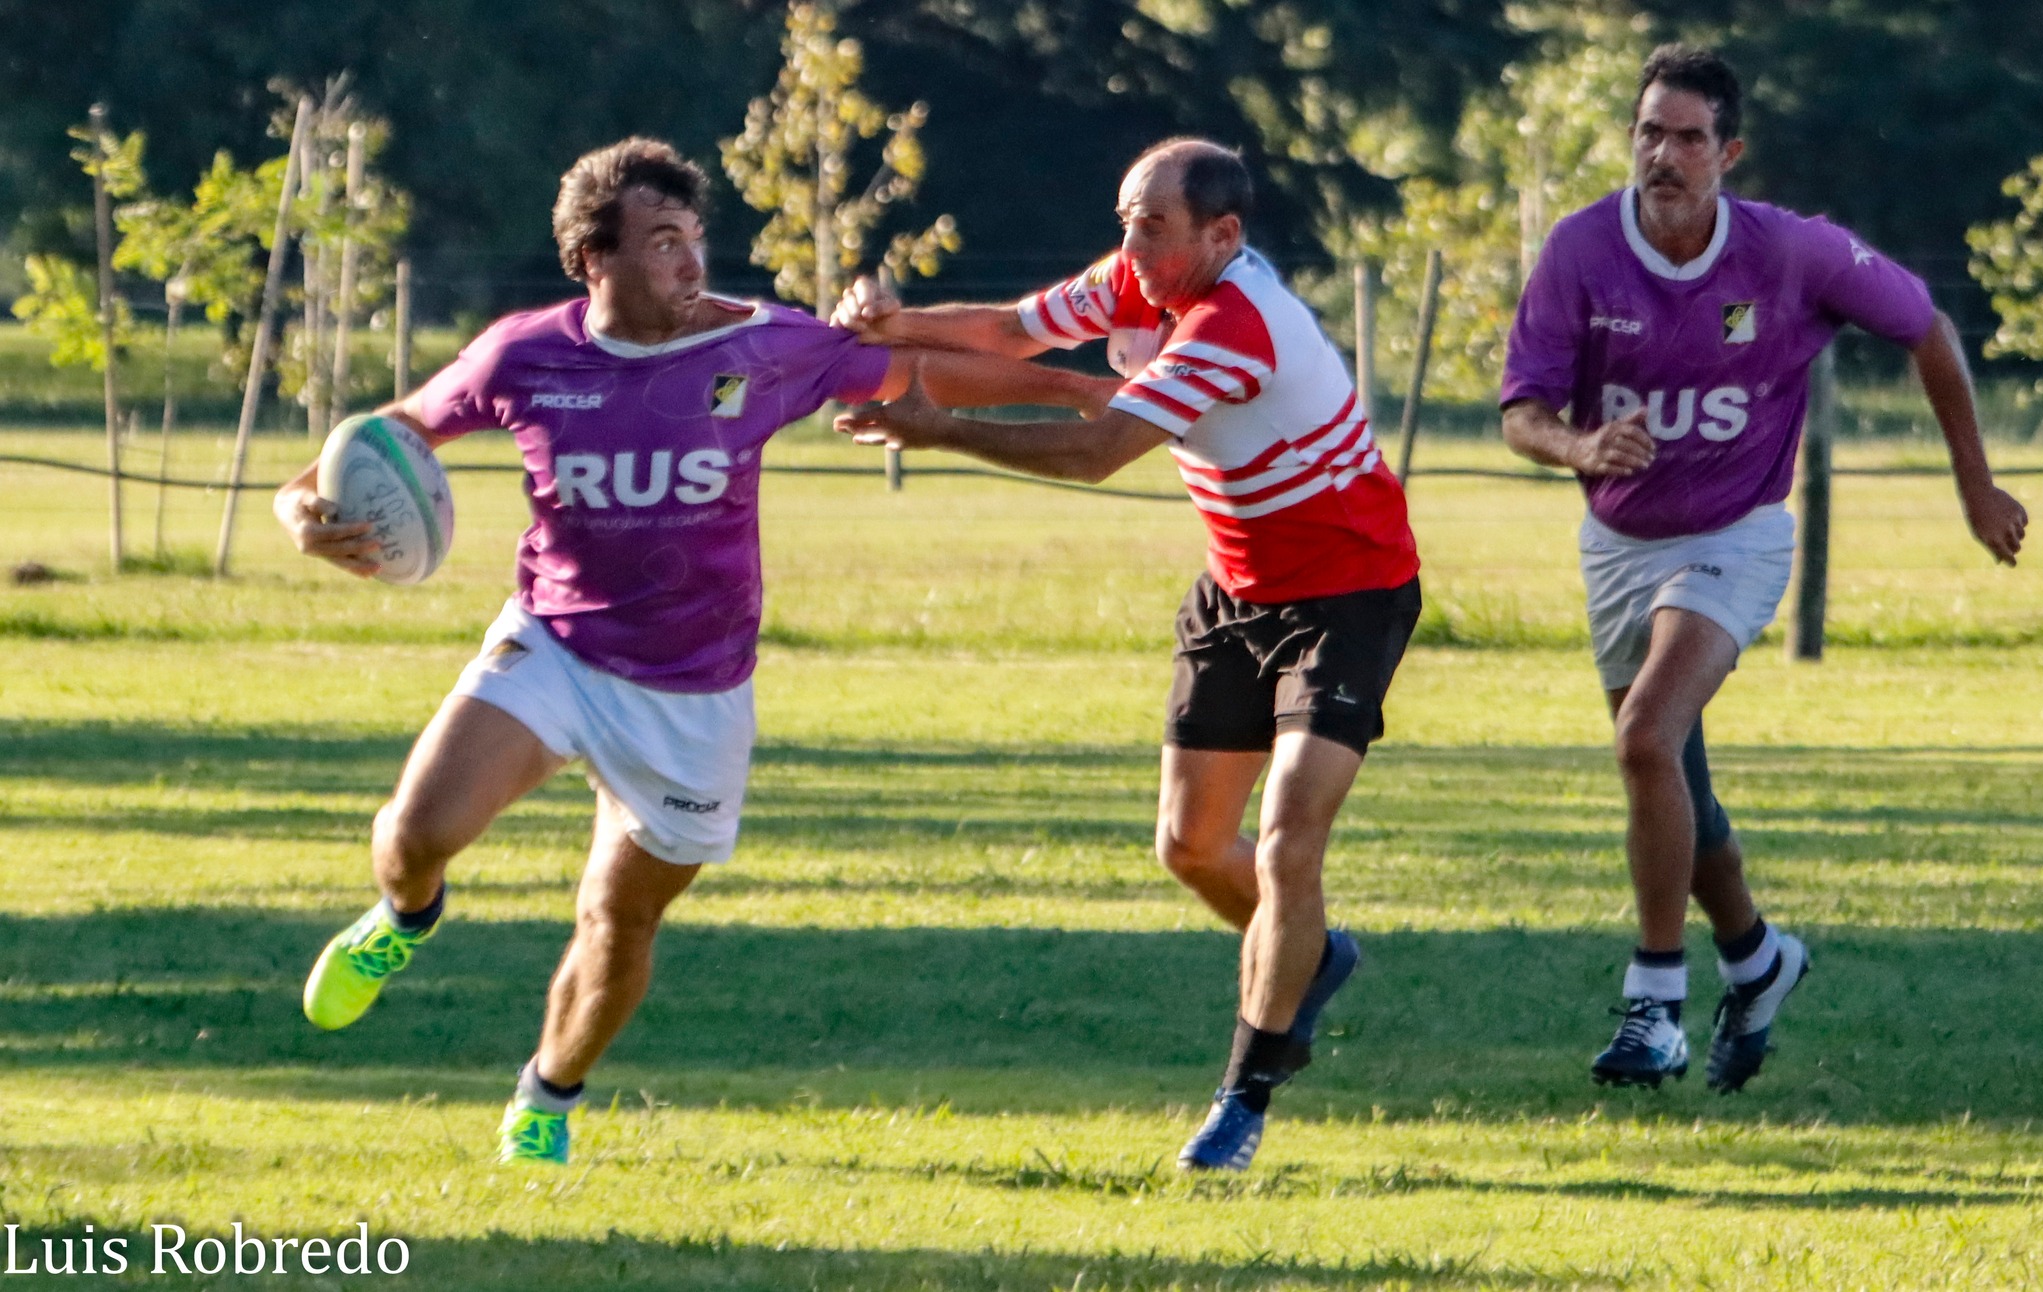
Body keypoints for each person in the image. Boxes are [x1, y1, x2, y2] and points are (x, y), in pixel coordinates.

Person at [274, 137, 1109, 1164]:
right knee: (414, 832)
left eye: (693, 237)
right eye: (662, 240)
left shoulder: (768, 348)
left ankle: (545, 1097)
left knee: (617, 918)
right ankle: (404, 919)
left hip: (695, 693)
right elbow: (380, 437)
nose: (689, 261)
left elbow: (927, 370)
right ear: (595, 258)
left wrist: (1076, 393)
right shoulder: (522, 355)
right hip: (555, 644)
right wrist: (300, 512)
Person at [832, 138, 1421, 1171]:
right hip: (1235, 588)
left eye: (1152, 225)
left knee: (1287, 843)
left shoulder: (1235, 321)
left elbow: (1098, 448)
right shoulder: (1140, 278)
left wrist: (942, 429)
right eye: (1125, 221)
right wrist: (895, 323)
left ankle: (1242, 1097)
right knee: (1190, 847)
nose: (1130, 244)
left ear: (1221, 235)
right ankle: (1310, 951)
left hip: (1349, 595)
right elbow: (1009, 330)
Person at [1500, 46, 2029, 1092]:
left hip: (1735, 534)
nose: (1663, 155)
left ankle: (1655, 1004)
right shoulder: (1580, 250)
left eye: (1688, 138)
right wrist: (1578, 445)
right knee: (1675, 788)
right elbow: (1521, 411)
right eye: (1649, 133)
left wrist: (1975, 486)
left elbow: (1926, 326)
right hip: (1616, 545)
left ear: (1727, 153)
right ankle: (1756, 957)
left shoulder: (1790, 251)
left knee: (1643, 737)